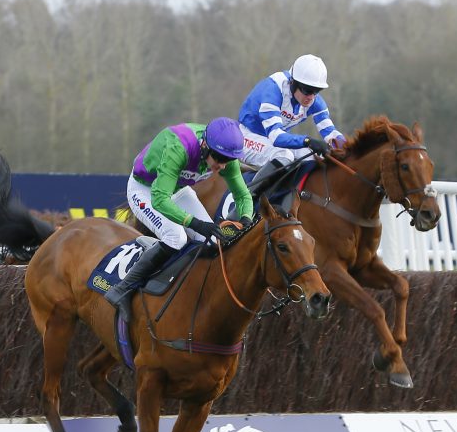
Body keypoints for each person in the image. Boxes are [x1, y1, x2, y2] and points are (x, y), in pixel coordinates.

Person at [104, 117, 255, 320]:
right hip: (146, 190)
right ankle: (122, 289)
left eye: (227, 160)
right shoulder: (179, 148)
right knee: (177, 237)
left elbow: (243, 195)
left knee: (212, 240)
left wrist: (246, 219)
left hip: (178, 189)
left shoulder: (225, 156)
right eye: (219, 158)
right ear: (205, 145)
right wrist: (195, 223)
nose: (222, 165)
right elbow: (159, 200)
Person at [237, 54, 347, 184]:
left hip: (272, 142)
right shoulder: (273, 90)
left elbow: (330, 132)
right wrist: (307, 140)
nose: (311, 97)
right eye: (307, 90)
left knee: (314, 157)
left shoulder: (315, 101)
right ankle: (249, 195)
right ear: (293, 82)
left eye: (317, 91)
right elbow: (276, 136)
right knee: (284, 155)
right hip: (246, 137)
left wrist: (348, 147)